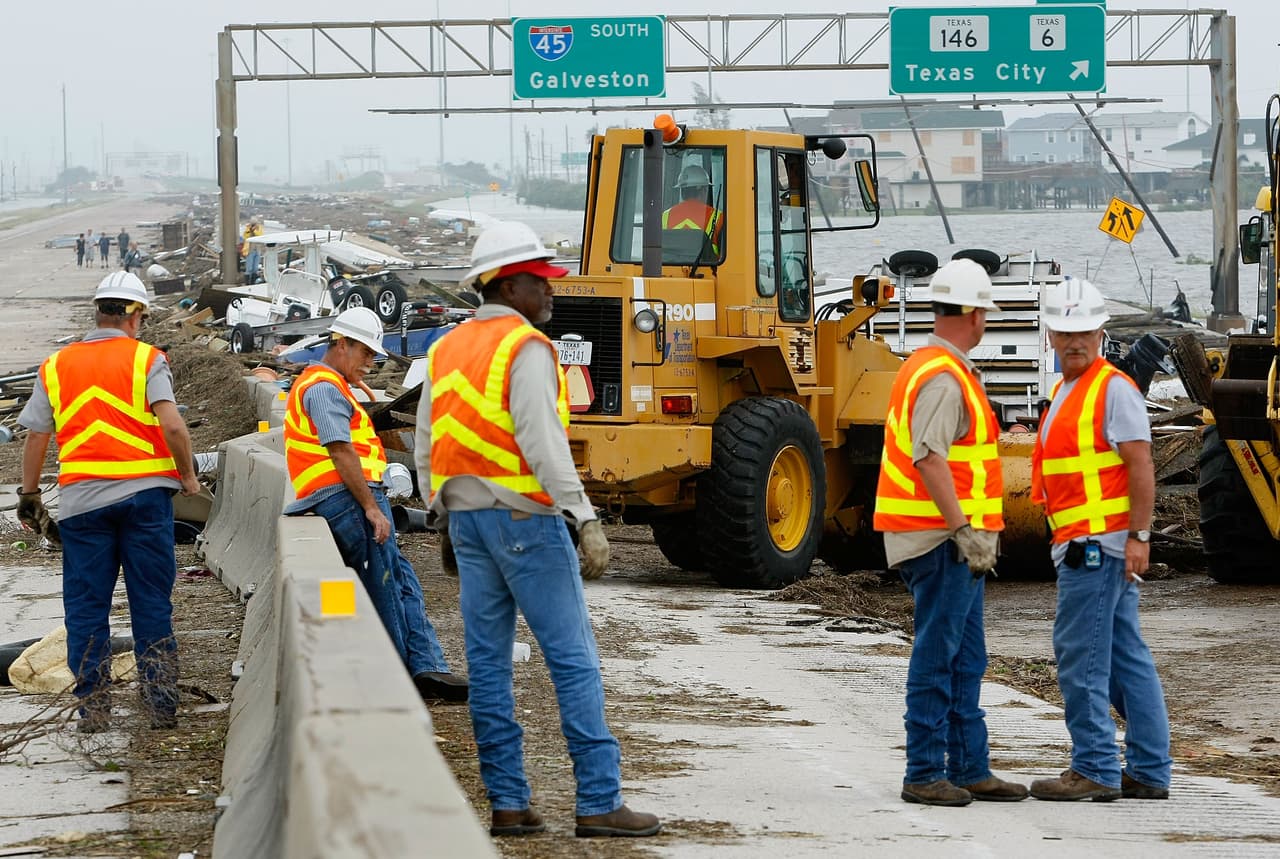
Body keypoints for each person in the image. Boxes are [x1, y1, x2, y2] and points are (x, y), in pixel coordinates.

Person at [415, 220, 661, 839]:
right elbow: (542, 441)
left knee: (488, 667)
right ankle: (599, 801)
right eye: (541, 281)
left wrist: (442, 514)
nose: (552, 290)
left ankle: (507, 803)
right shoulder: (525, 347)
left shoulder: (445, 349)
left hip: (468, 524)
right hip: (527, 519)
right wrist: (585, 517)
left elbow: (426, 441)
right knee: (572, 660)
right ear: (509, 286)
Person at [873, 258, 1028, 807]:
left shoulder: (932, 367)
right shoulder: (943, 377)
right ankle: (924, 771)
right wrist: (963, 529)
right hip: (941, 540)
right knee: (939, 656)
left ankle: (968, 767)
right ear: (974, 315)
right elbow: (929, 457)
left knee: (964, 657)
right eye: (985, 313)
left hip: (949, 540)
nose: (986, 321)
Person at [17, 272, 201, 732]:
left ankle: (95, 711)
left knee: (86, 608)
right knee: (150, 602)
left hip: (83, 504)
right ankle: (160, 708)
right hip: (145, 501)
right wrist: (187, 477)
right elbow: (172, 425)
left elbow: (37, 436)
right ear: (135, 315)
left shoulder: (56, 366)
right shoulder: (147, 359)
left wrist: (30, 494)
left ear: (98, 312)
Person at [1028, 279, 1172, 802]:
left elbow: (1141, 465)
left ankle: (1094, 766)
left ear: (1101, 333)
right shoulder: (1069, 391)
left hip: (1097, 546)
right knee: (1123, 657)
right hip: (1089, 542)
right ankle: (1149, 768)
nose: (1074, 342)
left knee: (1080, 656)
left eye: (1083, 332)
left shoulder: (1113, 389)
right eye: (1065, 333)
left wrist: (1139, 536)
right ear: (1050, 335)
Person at [282, 306, 467, 702]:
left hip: (348, 496)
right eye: (365, 352)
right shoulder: (322, 387)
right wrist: (370, 507)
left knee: (401, 581)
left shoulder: (329, 385)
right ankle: (398, 679)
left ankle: (426, 666)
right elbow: (340, 449)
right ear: (341, 344)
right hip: (347, 499)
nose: (370, 362)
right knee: (384, 588)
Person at [662, 163, 723, 255]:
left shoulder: (664, 216)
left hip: (670, 265)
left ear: (682, 191)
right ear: (704, 190)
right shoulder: (718, 217)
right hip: (706, 264)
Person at [241, 216, 264, 283]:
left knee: (255, 268)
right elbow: (245, 236)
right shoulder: (248, 229)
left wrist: (255, 230)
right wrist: (250, 229)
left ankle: (253, 282)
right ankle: (247, 282)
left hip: (257, 250)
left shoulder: (259, 228)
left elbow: (260, 235)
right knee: (249, 268)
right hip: (250, 250)